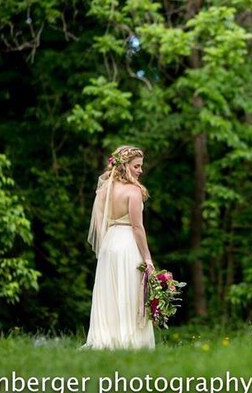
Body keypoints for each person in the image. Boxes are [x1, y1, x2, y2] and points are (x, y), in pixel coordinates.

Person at [83, 145, 155, 350]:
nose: (140, 170)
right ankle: (130, 341)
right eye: (136, 166)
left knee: (110, 292)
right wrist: (148, 259)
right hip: (126, 244)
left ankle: (107, 339)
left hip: (109, 244)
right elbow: (137, 227)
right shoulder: (133, 191)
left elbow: (98, 224)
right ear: (125, 166)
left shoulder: (105, 189)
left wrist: (109, 241)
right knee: (129, 291)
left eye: (141, 166)